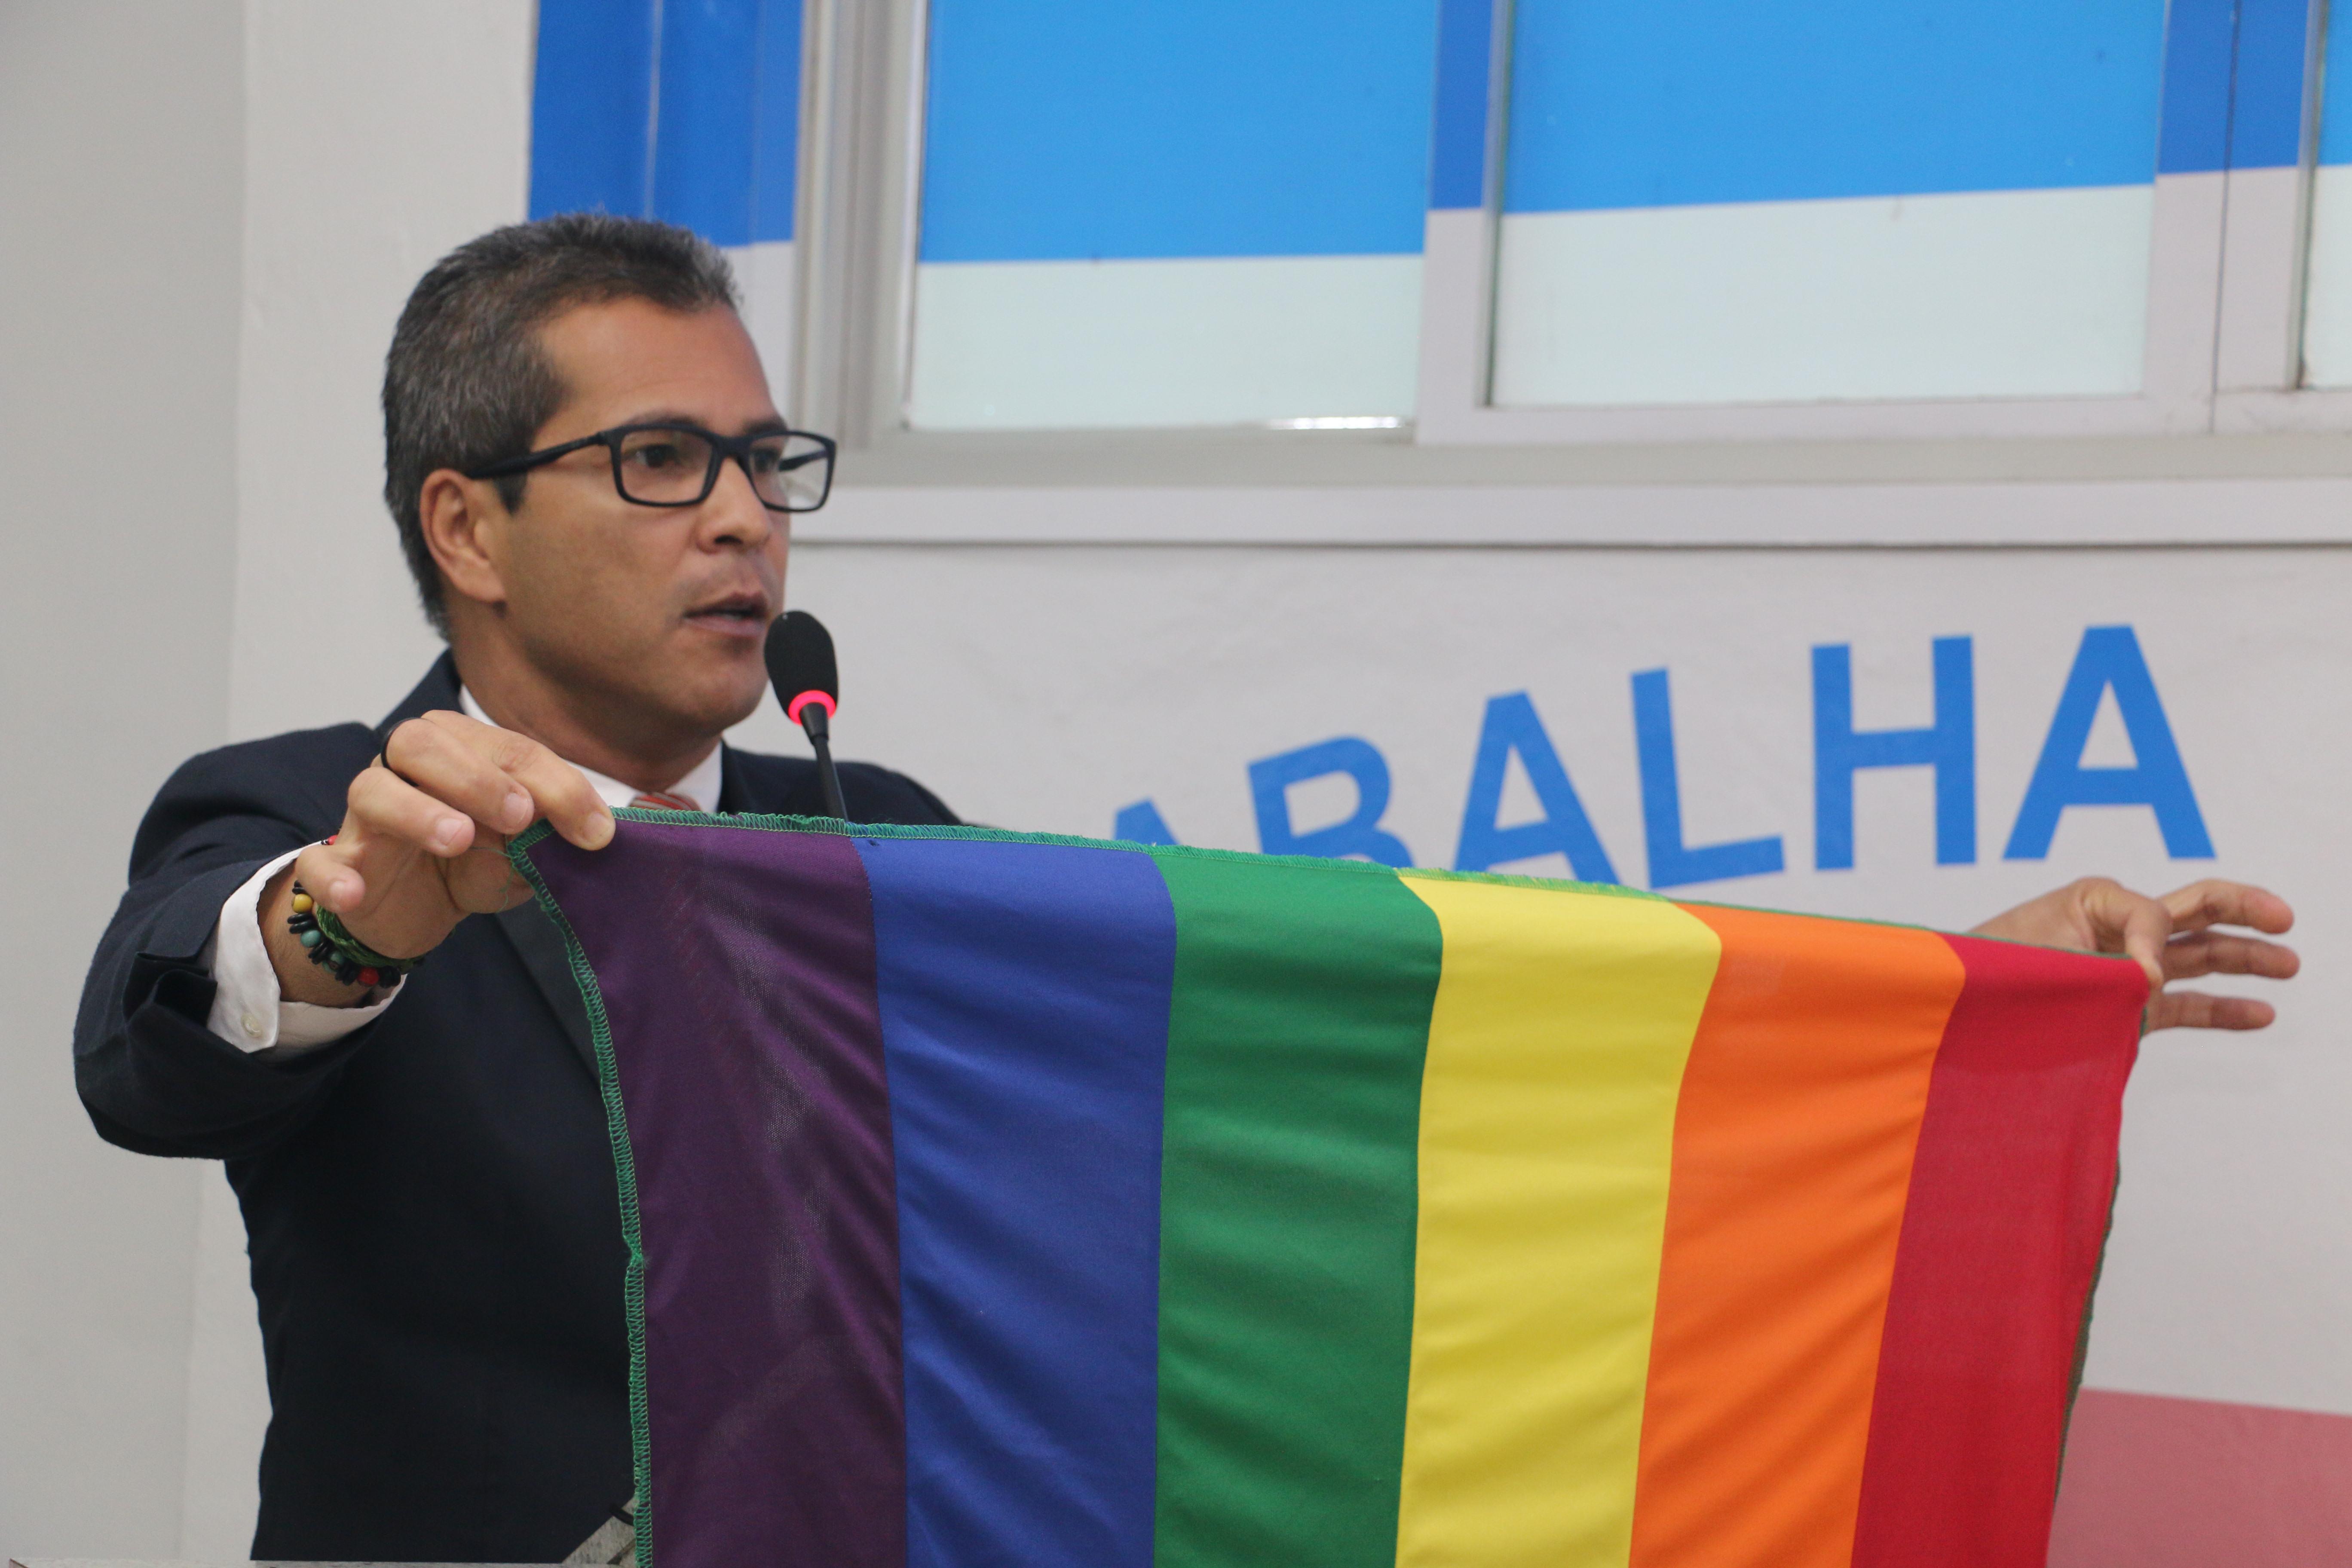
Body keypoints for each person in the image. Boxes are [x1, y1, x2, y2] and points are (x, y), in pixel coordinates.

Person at [72, 215, 2300, 1564]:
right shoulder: (297, 811)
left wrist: (1953, 990)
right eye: (662, 463)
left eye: (763, 462)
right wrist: (355, 911)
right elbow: (171, 1045)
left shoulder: (885, 842)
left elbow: (1312, 1080)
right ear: (465, 526)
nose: (747, 519)